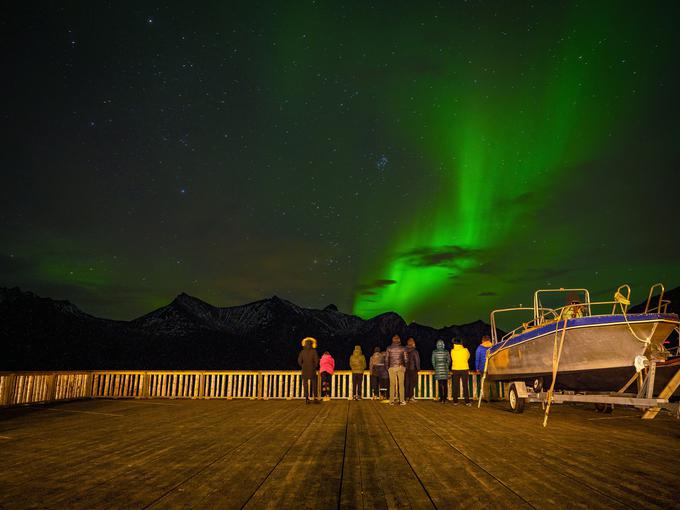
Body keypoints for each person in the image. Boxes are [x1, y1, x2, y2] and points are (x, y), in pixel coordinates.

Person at [385, 334, 407, 405]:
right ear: (399, 340)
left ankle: (391, 400)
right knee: (401, 384)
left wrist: (387, 368)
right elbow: (406, 359)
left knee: (392, 384)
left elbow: (386, 359)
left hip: (391, 367)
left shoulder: (389, 348)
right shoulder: (403, 348)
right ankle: (402, 400)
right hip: (400, 367)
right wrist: (405, 367)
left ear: (392, 340)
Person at [297, 337, 320, 404]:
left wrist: (302, 365)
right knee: (314, 384)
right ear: (312, 343)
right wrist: (314, 366)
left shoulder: (302, 351)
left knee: (305, 385)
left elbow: (299, 360)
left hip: (304, 370)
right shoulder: (314, 351)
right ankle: (315, 398)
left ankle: (307, 398)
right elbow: (316, 360)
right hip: (312, 369)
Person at [450, 338, 471, 406]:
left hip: (455, 369)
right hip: (464, 368)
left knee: (455, 385)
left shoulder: (452, 351)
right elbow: (468, 357)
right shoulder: (465, 350)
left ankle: (455, 401)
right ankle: (467, 401)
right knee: (465, 385)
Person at [404, 337, 421, 402]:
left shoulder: (404, 351)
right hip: (413, 369)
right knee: (413, 382)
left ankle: (406, 397)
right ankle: (411, 396)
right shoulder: (414, 351)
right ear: (413, 343)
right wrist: (418, 368)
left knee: (406, 383)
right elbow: (417, 360)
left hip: (406, 369)